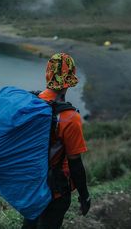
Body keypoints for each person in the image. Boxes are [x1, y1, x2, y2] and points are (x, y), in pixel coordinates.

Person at [22, 53, 91, 229]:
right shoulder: (70, 118)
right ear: (69, 80)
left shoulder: (31, 103)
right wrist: (84, 196)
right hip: (56, 191)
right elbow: (75, 164)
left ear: (48, 74)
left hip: (32, 184)